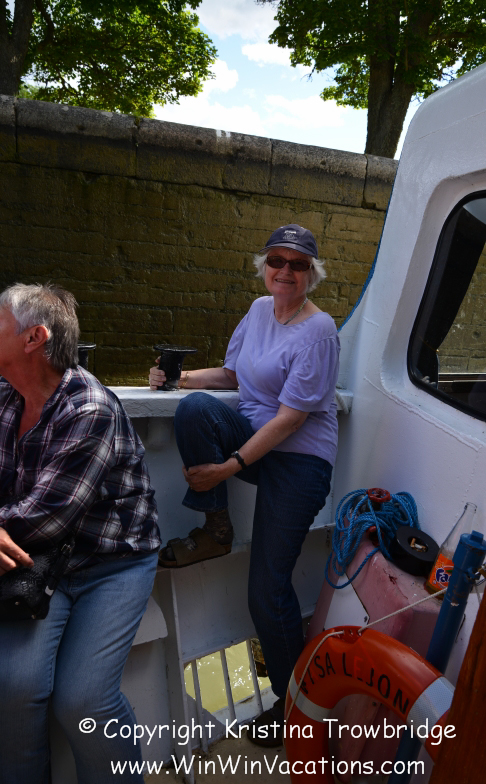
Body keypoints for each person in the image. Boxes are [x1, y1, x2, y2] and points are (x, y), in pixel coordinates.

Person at [150, 224, 340, 746]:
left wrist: (228, 467)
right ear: (264, 266)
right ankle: (216, 527)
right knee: (194, 410)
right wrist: (180, 379)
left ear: (312, 274)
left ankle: (294, 709)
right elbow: (233, 375)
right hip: (257, 444)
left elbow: (291, 421)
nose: (285, 271)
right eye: (276, 260)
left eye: (297, 264)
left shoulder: (320, 331)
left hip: (300, 463)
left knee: (266, 590)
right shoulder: (259, 311)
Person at [0, 283, 160, 784]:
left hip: (110, 563)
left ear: (34, 338)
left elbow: (46, 518)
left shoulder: (89, 408)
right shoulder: (5, 394)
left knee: (84, 700)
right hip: (38, 560)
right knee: (12, 687)